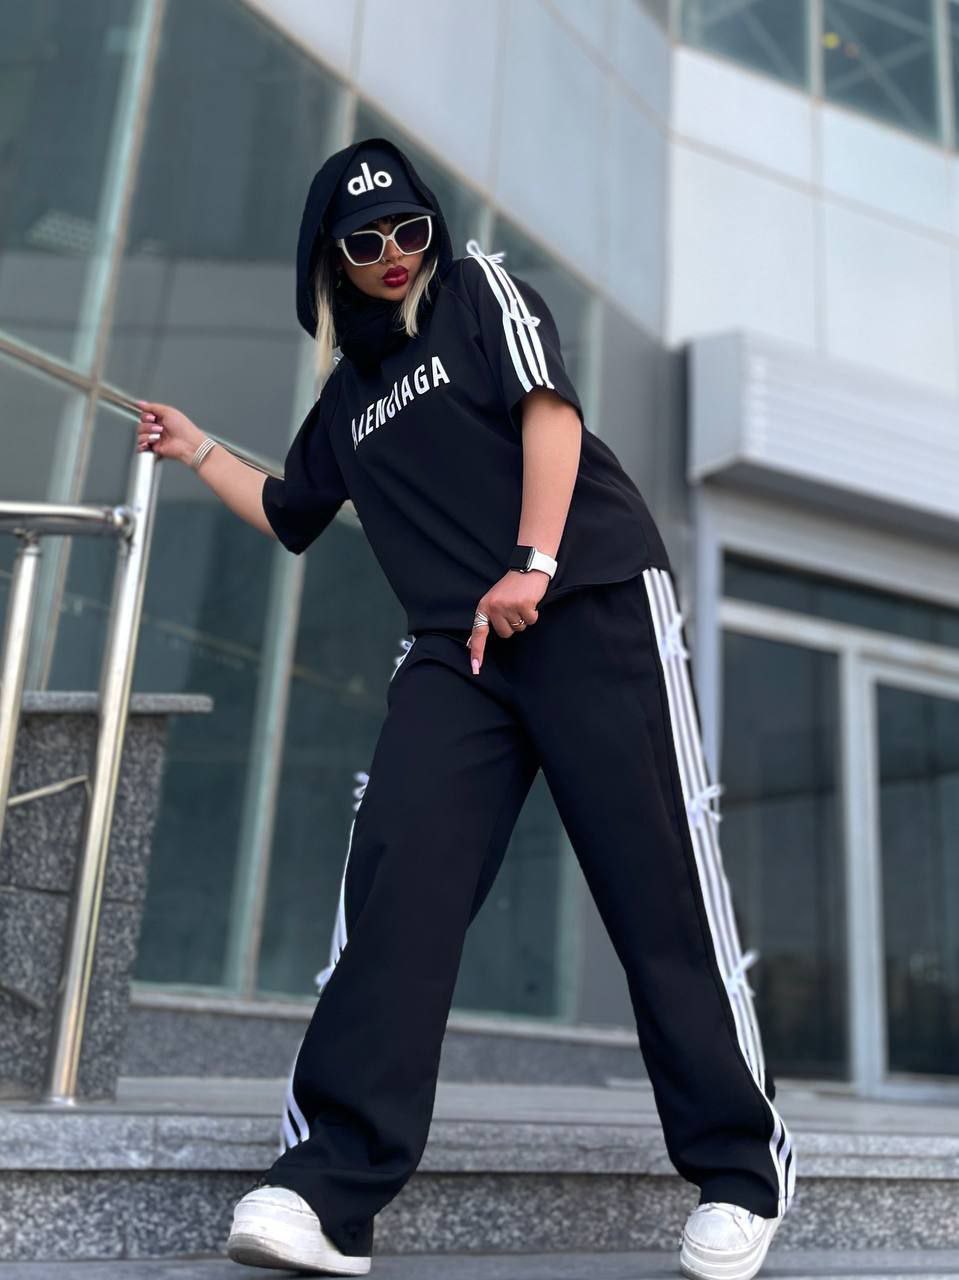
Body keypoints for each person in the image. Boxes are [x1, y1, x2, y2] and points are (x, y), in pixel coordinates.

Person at [135, 136, 797, 1279]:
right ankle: (328, 1188)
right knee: (398, 877)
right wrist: (196, 449)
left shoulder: (480, 292)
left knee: (656, 883)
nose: (394, 253)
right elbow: (289, 510)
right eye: (366, 241)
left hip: (588, 598)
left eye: (409, 230)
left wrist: (532, 560)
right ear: (329, 260)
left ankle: (741, 1170)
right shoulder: (346, 398)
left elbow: (550, 413)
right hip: (460, 646)